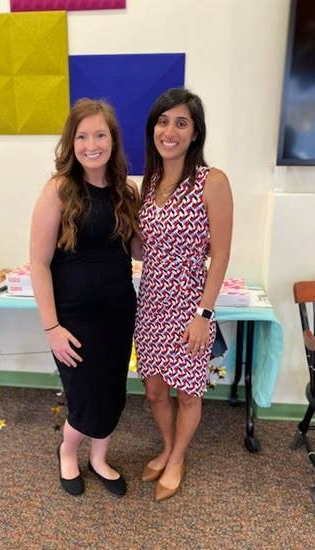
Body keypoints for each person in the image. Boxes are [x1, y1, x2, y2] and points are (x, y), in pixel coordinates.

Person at [30, 98, 140, 498]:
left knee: (112, 391)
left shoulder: (125, 189)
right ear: (70, 142)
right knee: (84, 394)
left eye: (100, 134)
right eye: (82, 135)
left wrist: (187, 238)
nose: (91, 144)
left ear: (112, 140)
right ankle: (68, 451)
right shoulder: (59, 189)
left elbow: (137, 249)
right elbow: (39, 264)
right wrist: (51, 327)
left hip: (118, 313)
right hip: (73, 318)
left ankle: (99, 459)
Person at [134, 88, 233, 501]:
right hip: (151, 301)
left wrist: (204, 314)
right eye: (162, 121)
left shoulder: (212, 181)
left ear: (195, 133)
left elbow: (222, 252)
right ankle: (168, 446)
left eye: (181, 122)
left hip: (191, 304)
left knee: (188, 392)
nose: (169, 130)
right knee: (155, 389)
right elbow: (144, 248)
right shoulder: (149, 181)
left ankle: (177, 458)